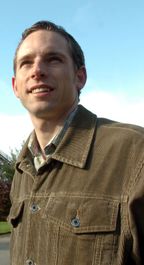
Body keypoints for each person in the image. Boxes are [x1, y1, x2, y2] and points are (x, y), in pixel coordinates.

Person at [8, 20, 144, 265]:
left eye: (53, 59)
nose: (37, 70)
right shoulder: (22, 169)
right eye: (26, 62)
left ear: (80, 77)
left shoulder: (134, 151)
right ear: (16, 86)